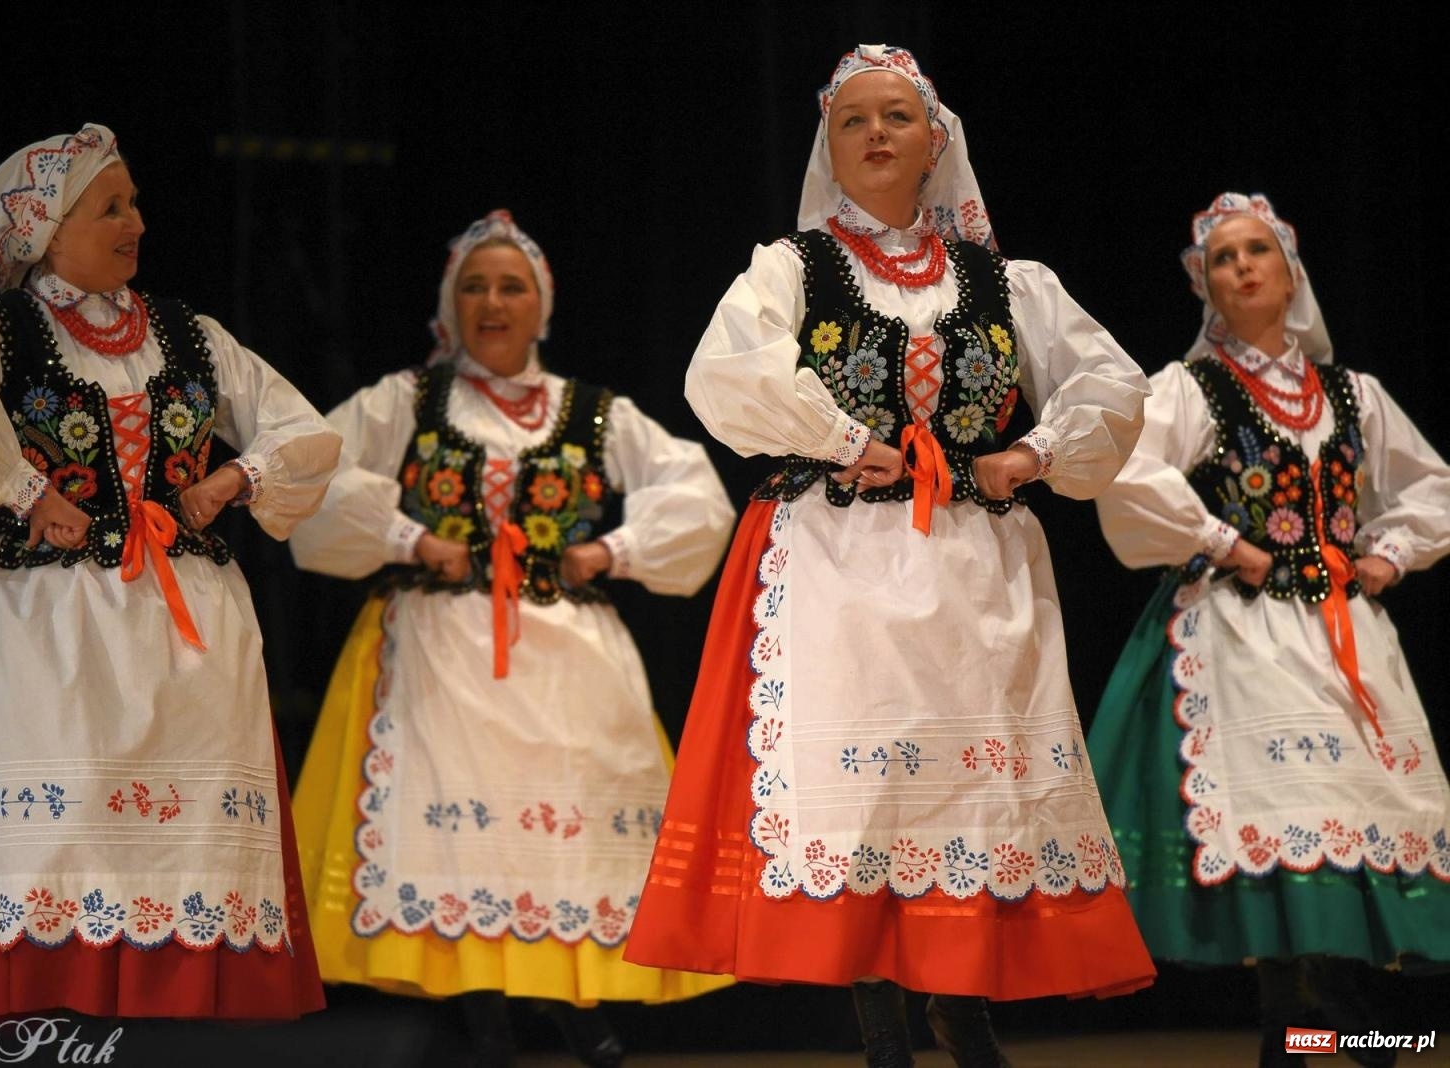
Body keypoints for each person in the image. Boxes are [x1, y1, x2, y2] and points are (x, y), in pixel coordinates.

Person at [621, 43, 1156, 1068]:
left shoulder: (1006, 281)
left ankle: (963, 1004)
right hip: (836, 552)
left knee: (967, 785)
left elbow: (1113, 386)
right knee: (860, 787)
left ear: (933, 142)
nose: (875, 134)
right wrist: (840, 441)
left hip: (969, 565)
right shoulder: (789, 267)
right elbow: (726, 372)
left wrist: (1029, 454)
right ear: (830, 141)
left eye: (896, 117)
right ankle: (879, 1025)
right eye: (853, 118)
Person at [0, 125, 340, 1019]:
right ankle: (39, 1000)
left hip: (180, 624)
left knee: (167, 843)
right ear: (45, 229)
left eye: (136, 203)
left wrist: (235, 477)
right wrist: (24, 489)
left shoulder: (191, 335)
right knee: (56, 831)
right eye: (110, 207)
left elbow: (301, 428)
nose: (136, 222)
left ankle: (155, 1016)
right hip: (39, 618)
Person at [288, 210, 735, 1066]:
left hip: (566, 654)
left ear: (543, 305)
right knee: (460, 832)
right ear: (450, 305)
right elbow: (313, 472)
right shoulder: (407, 401)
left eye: (511, 286)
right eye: (475, 287)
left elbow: (695, 494)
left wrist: (609, 550)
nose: (493, 302)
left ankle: (574, 1009)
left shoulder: (592, 412)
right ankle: (487, 1016)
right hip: (440, 642)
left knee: (570, 826)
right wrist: (411, 540)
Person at [1088, 192, 1450, 1066]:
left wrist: (1388, 556)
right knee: (1287, 859)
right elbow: (1127, 474)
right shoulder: (1191, 388)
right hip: (1241, 641)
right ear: (1206, 286)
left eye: (1259, 251)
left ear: (1293, 274)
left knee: (1365, 828)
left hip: (1345, 639)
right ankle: (1304, 1036)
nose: (1243, 266)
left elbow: (1430, 488)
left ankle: (1360, 1035)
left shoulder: (1352, 395)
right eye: (1223, 257)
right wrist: (1225, 543)